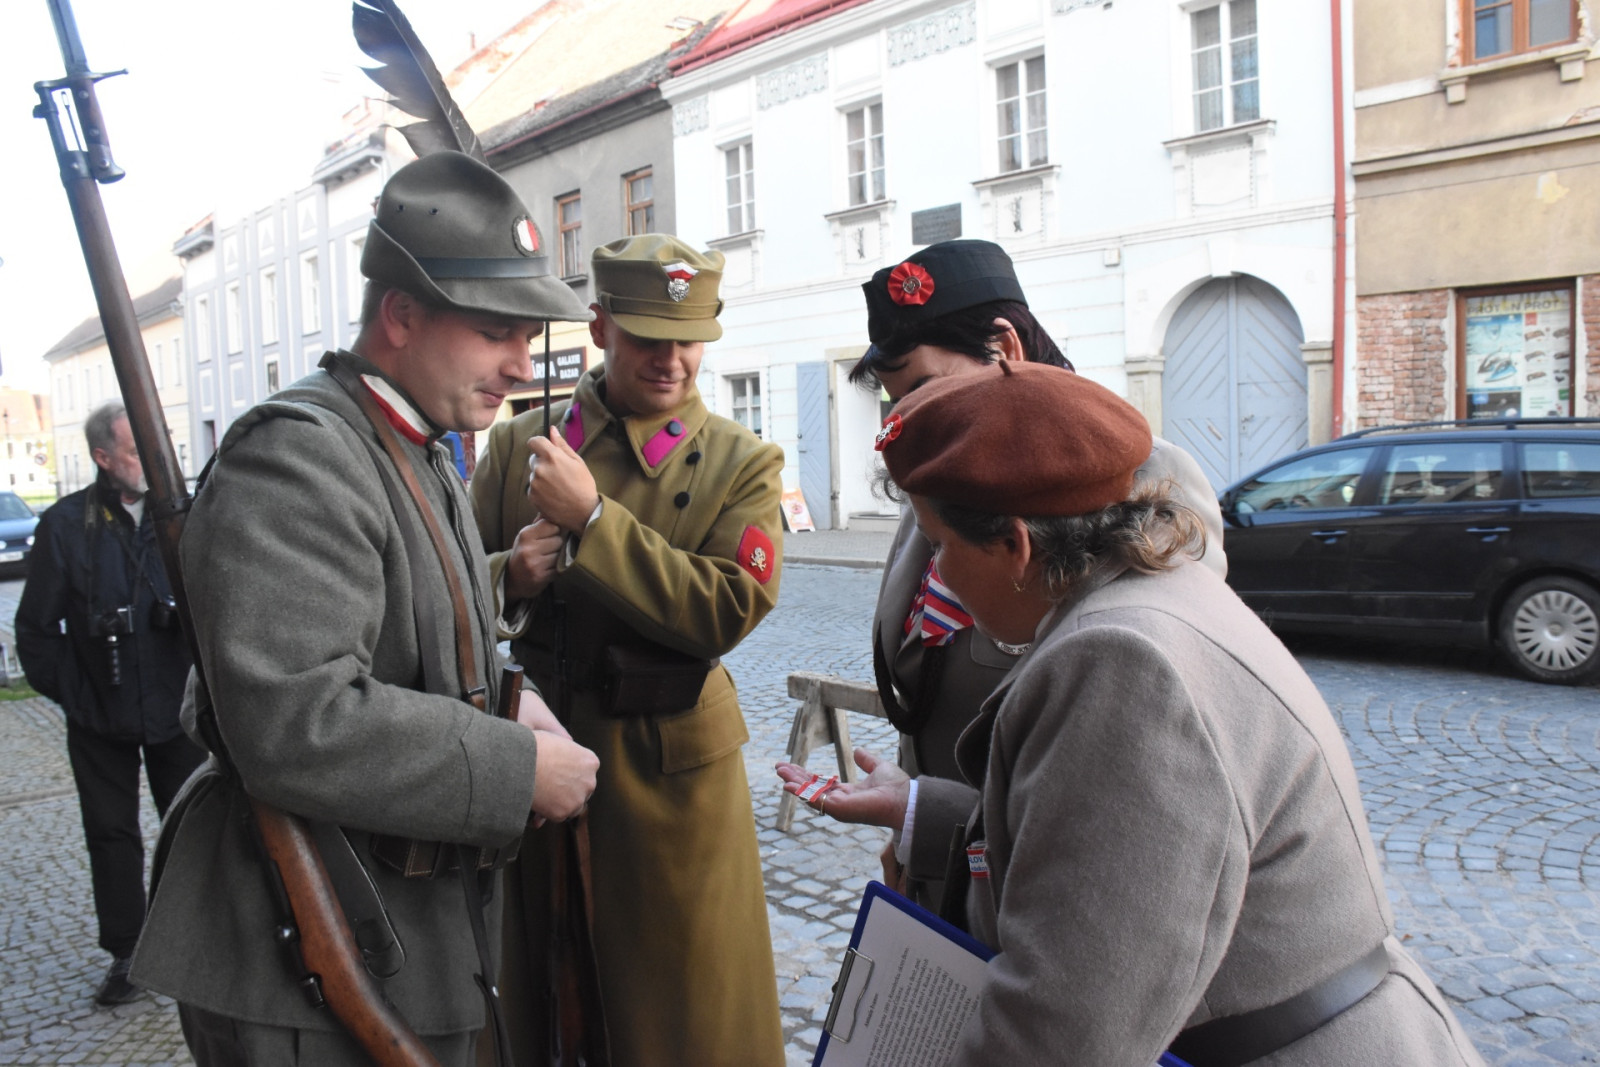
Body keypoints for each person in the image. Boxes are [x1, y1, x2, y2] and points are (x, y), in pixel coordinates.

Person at [780, 361, 1486, 1066]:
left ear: (1016, 545)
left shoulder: (1121, 660)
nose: (937, 575)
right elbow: (1116, 849)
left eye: (941, 547)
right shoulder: (1144, 591)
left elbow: (1062, 1030)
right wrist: (920, 809)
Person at [128, 151, 601, 1066]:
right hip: (300, 955)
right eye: (496, 331)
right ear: (402, 314)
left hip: (400, 929)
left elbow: (424, 639)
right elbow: (295, 715)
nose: (520, 363)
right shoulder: (302, 454)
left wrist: (514, 702)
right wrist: (516, 769)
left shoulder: (413, 444)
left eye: (526, 335)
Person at [471, 233, 786, 1066]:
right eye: (649, 336)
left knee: (680, 1019)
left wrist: (595, 522)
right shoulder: (518, 446)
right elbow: (447, 591)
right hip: (536, 768)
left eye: (690, 339)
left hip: (669, 782)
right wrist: (509, 575)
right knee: (542, 1001)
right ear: (600, 326)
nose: (671, 360)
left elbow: (727, 606)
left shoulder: (742, 463)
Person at [848, 239, 1226, 909]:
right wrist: (914, 832)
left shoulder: (1138, 474)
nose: (908, 422)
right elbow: (919, 679)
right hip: (945, 854)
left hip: (1056, 872)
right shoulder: (942, 473)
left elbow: (1143, 705)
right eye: (896, 401)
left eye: (924, 389)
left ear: (1005, 348)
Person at [15, 400, 205, 1006]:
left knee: (192, 828)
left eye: (156, 442)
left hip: (176, 708)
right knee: (110, 834)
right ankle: (129, 952)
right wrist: (76, 694)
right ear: (102, 457)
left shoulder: (184, 515)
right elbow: (35, 631)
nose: (151, 456)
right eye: (134, 448)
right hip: (99, 712)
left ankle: (197, 943)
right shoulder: (66, 524)